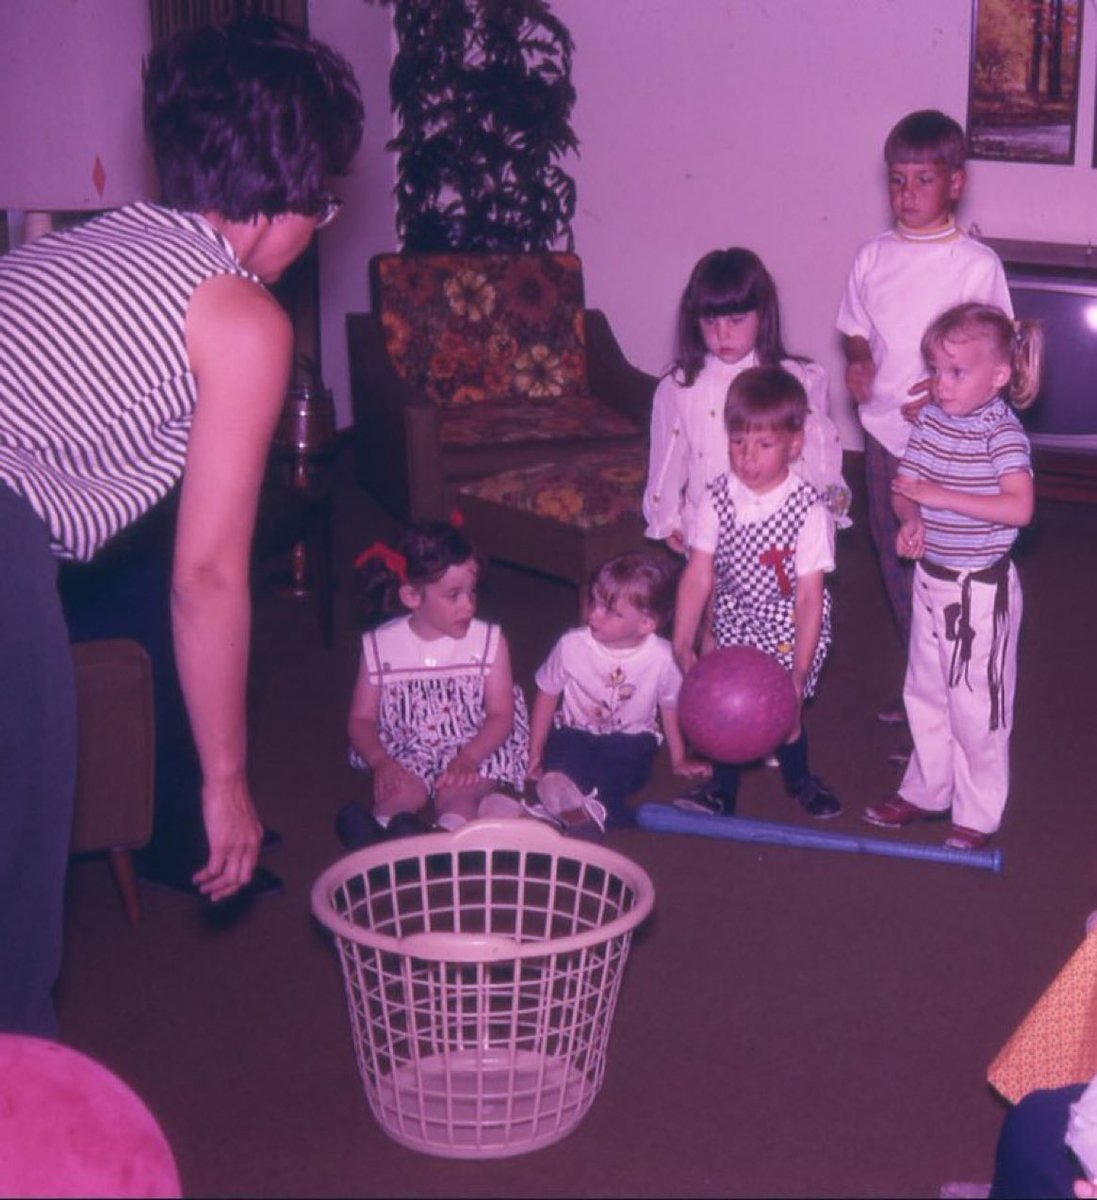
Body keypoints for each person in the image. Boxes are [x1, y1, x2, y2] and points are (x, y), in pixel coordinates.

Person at [0, 14, 364, 1037]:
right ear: (280, 195)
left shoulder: (89, 245)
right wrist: (226, 781)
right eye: (323, 200)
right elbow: (207, 574)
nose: (318, 224)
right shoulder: (241, 314)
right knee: (11, 944)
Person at [836, 109, 1013, 733]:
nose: (907, 194)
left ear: (955, 184)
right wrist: (858, 363)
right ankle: (920, 680)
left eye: (922, 180)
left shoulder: (975, 265)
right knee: (895, 556)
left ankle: (952, 689)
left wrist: (940, 396)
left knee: (947, 560)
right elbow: (856, 329)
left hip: (951, 443)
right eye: (896, 180)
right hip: (885, 433)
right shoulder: (872, 256)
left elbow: (993, 352)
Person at [862, 303, 1042, 851]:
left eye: (957, 372)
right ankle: (927, 788)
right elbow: (905, 486)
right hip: (932, 580)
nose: (941, 384)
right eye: (937, 370)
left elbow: (1019, 509)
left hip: (979, 592)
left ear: (999, 376)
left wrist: (941, 497)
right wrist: (912, 518)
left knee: (976, 706)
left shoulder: (1002, 435)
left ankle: (979, 811)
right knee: (926, 691)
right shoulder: (933, 422)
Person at [672, 366, 842, 820]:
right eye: (737, 442)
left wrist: (799, 673)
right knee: (725, 705)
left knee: (784, 717)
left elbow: (809, 599)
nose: (747, 457)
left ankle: (800, 780)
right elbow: (699, 575)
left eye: (764, 445)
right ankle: (721, 790)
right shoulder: (716, 497)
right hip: (733, 615)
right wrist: (683, 637)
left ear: (794, 444)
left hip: (789, 627)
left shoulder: (808, 511)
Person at [643, 246, 850, 558]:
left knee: (782, 604)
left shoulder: (796, 378)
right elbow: (668, 457)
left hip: (781, 528)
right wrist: (667, 517)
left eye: (736, 320)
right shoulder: (683, 386)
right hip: (710, 530)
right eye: (710, 322)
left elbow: (819, 452)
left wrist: (830, 509)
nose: (722, 334)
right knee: (715, 602)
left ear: (762, 315)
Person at [340, 521, 530, 841]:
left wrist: (469, 757)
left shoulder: (490, 641)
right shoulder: (380, 645)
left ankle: (448, 839)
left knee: (458, 794)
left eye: (472, 592)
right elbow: (361, 718)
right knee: (401, 790)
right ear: (412, 596)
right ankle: (384, 831)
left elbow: (501, 713)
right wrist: (381, 762)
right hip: (408, 744)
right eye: (453, 595)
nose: (468, 605)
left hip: (475, 740)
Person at [526, 551, 710, 834]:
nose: (595, 615)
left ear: (646, 624)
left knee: (619, 771)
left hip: (632, 738)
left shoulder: (662, 657)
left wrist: (679, 758)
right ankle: (570, 806)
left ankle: (590, 809)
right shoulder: (571, 645)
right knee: (562, 762)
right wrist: (535, 751)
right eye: (595, 602)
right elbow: (547, 692)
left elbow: (669, 706)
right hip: (575, 730)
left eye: (611, 611)